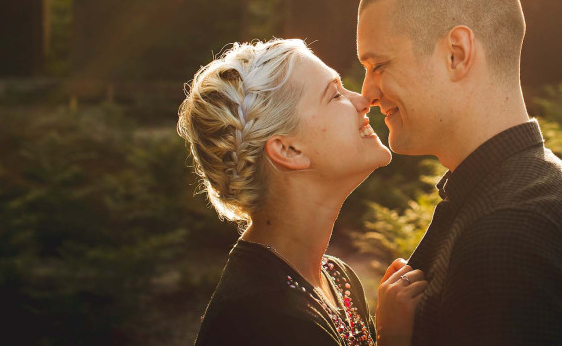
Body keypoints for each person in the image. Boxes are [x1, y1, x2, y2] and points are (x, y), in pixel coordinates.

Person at [356, 0, 562, 345]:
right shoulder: (522, 184)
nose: (367, 92)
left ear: (456, 54)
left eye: (379, 65)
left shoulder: (508, 230)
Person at [177, 39, 428, 346]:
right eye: (335, 95)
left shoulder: (337, 277)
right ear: (288, 150)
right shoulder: (260, 319)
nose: (363, 100)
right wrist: (393, 339)